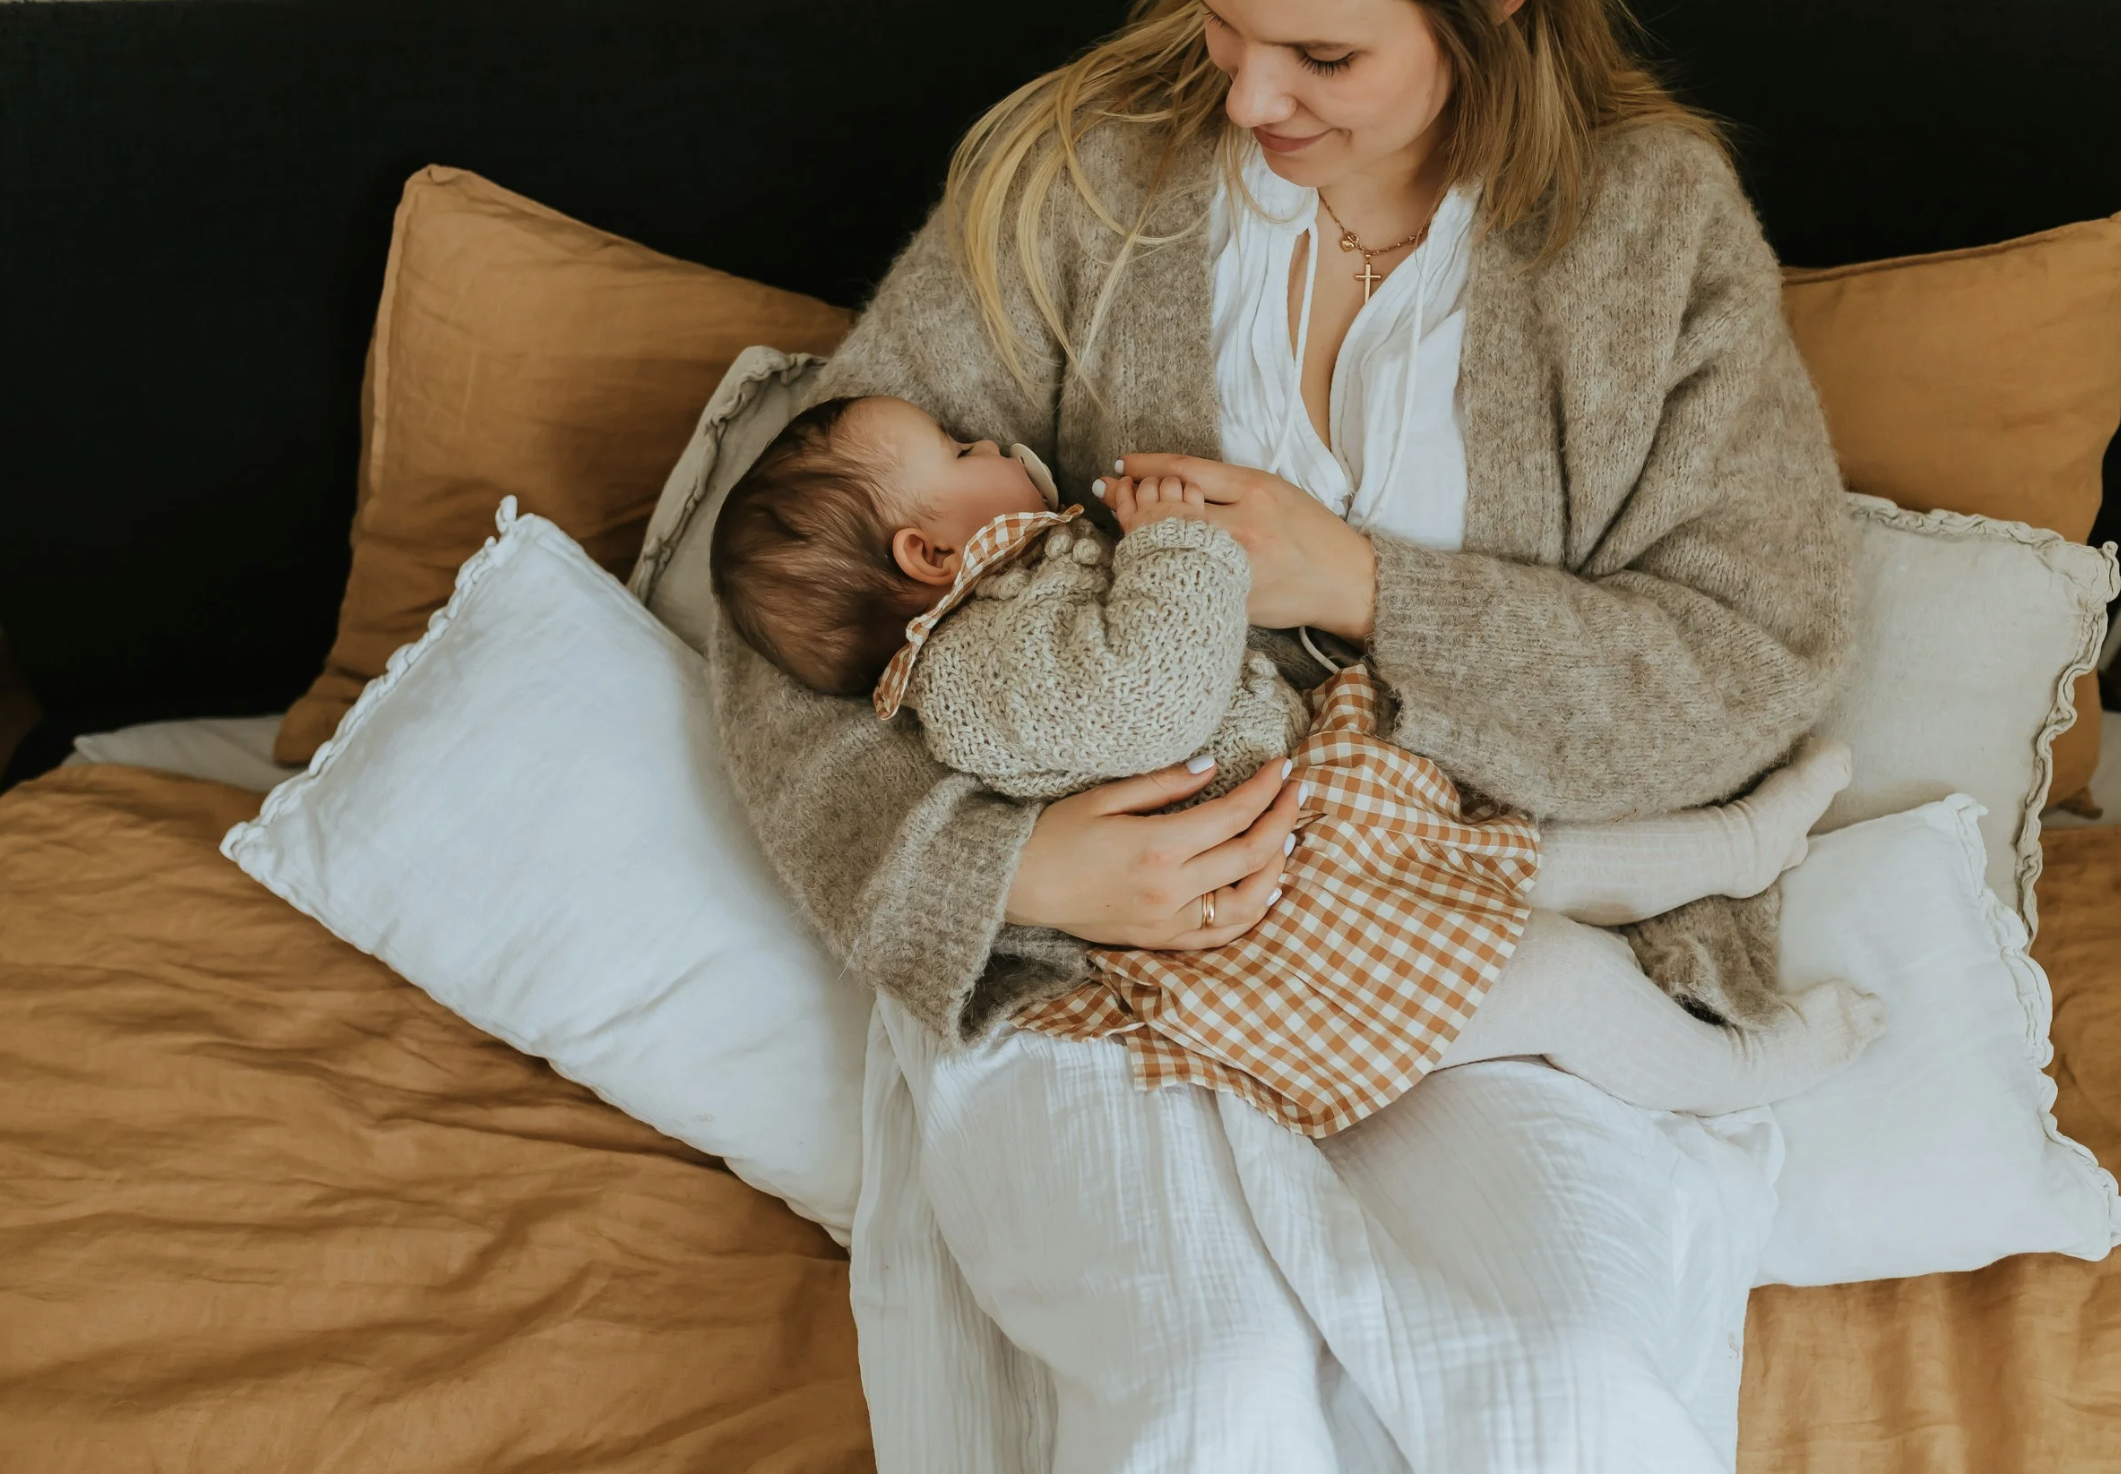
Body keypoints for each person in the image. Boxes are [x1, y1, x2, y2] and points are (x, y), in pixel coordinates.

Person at [709, 0, 1855, 1465]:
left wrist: (1371, 589)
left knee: (1564, 1390)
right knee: (1207, 1392)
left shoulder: (1647, 230)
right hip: (1101, 986)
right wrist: (1003, 869)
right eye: (1221, 21)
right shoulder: (1088, 180)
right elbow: (797, 614)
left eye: (1322, 56)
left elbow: (1760, 655)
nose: (1249, 98)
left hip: (1449, 945)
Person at [710, 391, 1877, 1134]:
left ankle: (1740, 842)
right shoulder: (974, 677)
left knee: (1531, 856)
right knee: (1558, 974)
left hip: (1322, 821)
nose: (997, 439)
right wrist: (1175, 543)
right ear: (929, 551)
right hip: (1284, 925)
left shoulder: (1011, 595)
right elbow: (1153, 693)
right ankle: (1740, 1071)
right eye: (962, 447)